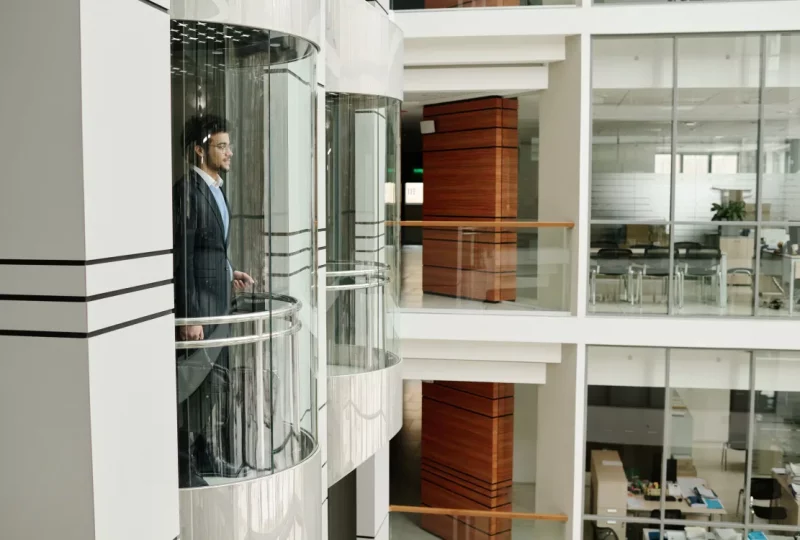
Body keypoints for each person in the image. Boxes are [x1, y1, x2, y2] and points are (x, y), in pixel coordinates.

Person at [173, 114, 254, 487]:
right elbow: (182, 257)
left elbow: (211, 247)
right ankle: (182, 462)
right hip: (199, 309)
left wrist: (229, 270)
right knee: (194, 386)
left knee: (214, 385)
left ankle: (205, 452)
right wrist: (189, 315)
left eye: (228, 145)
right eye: (221, 146)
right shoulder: (186, 190)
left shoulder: (217, 189)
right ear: (199, 150)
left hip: (218, 302)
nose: (229, 152)